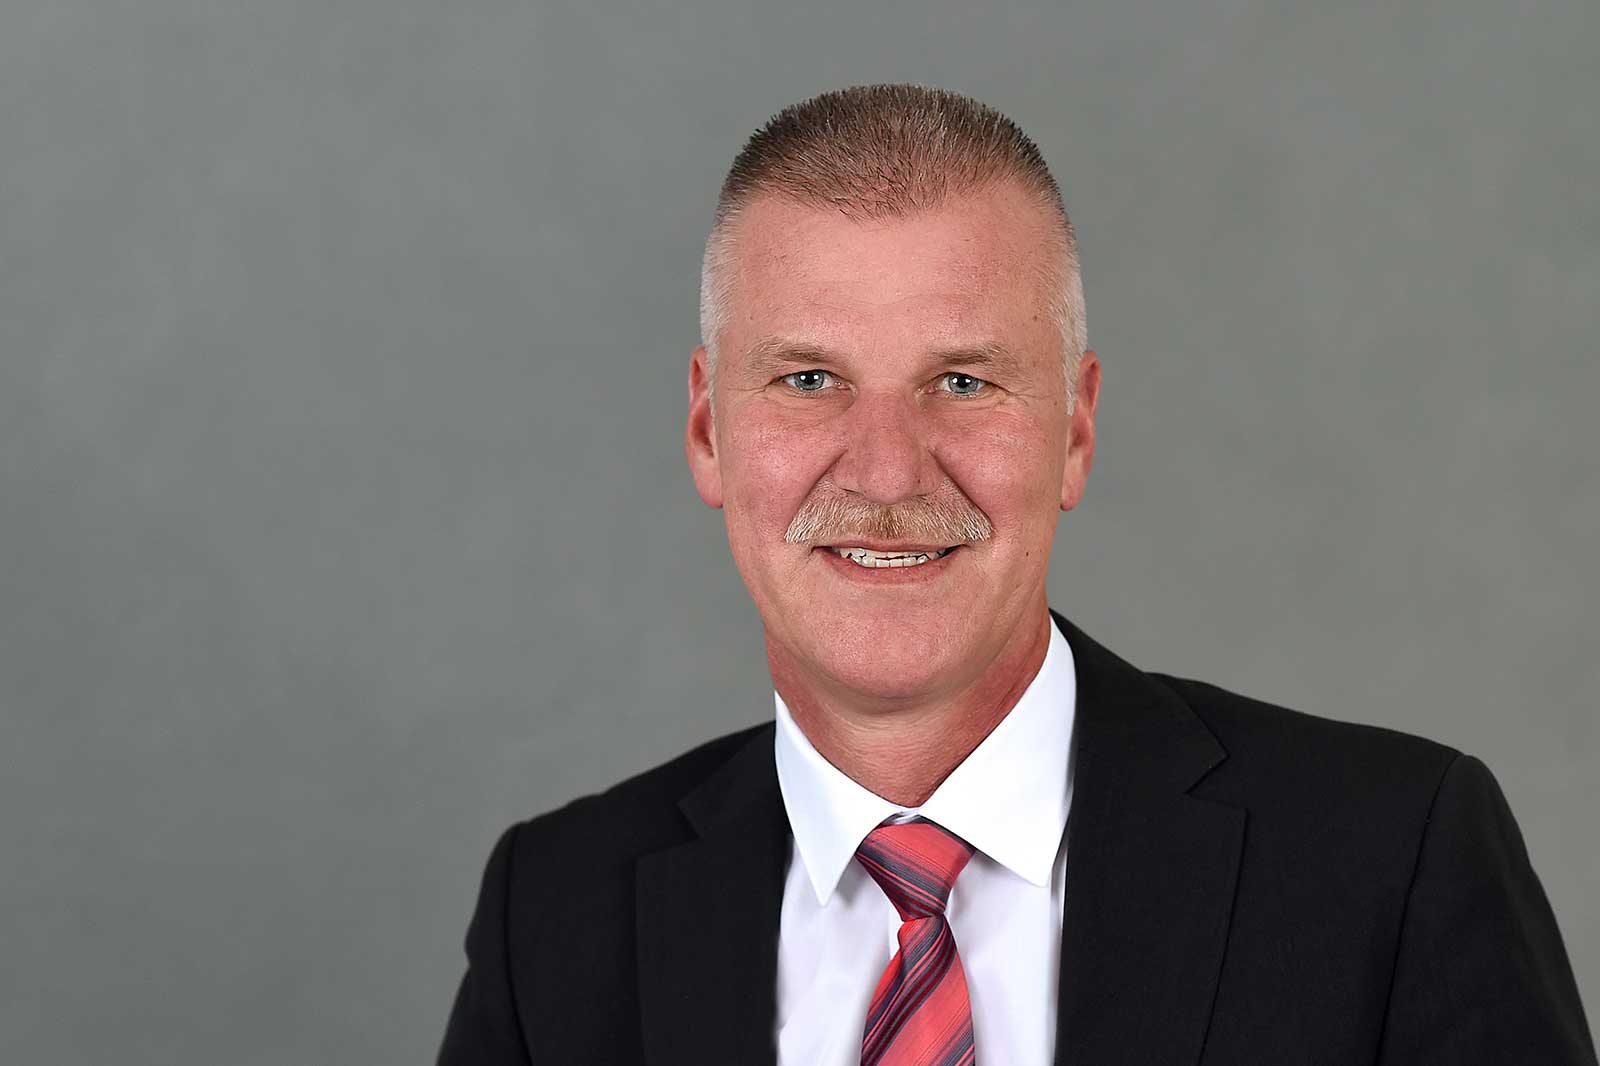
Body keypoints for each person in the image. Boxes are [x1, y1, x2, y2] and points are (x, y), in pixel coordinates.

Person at [437, 83, 1595, 1066]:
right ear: (706, 432)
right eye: (806, 380)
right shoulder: (557, 914)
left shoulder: (1390, 863)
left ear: (1076, 431)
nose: (887, 473)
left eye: (963, 382)